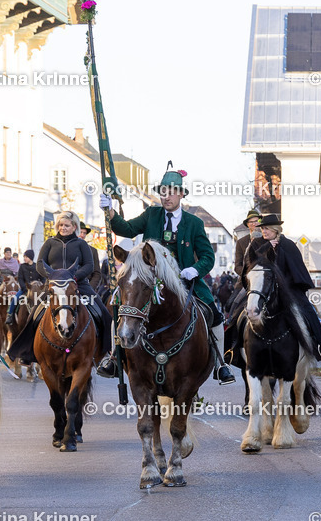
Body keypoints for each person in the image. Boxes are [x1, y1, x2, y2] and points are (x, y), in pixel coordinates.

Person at [97, 162, 235, 383]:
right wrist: (111, 212)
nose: (166, 197)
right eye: (163, 193)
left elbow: (208, 257)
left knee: (214, 314)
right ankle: (114, 356)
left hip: (185, 282)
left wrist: (194, 270)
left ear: (181, 195)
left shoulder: (194, 223)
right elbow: (126, 229)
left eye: (171, 193)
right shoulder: (151, 215)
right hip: (149, 281)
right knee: (120, 308)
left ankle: (220, 364)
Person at [31, 210, 112, 355]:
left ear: (74, 226)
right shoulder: (49, 243)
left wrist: (73, 277)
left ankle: (108, 352)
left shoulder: (81, 244)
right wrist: (54, 277)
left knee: (103, 312)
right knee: (32, 314)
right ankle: (30, 352)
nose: (63, 228)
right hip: (53, 287)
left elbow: (89, 266)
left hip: (78, 285)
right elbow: (39, 264)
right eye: (61, 225)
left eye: (67, 225)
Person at [257, 215, 321, 362]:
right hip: (266, 290)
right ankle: (234, 349)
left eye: (266, 228)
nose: (263, 231)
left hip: (290, 289)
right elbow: (256, 262)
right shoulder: (263, 245)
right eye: (262, 228)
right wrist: (268, 249)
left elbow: (295, 270)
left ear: (275, 229)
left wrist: (285, 287)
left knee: (308, 311)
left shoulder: (287, 245)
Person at [4, 249, 42, 326]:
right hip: (25, 288)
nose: (24, 258)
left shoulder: (37, 266)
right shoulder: (22, 266)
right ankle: (10, 315)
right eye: (24, 257)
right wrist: (24, 287)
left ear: (30, 257)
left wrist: (41, 286)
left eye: (26, 257)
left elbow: (42, 278)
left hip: (36, 289)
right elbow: (20, 278)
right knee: (15, 299)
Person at [234, 209, 262, 277]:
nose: (254, 223)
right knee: (238, 288)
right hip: (247, 278)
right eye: (251, 222)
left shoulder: (267, 238)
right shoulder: (241, 242)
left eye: (256, 221)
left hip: (266, 276)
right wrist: (248, 274)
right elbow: (237, 266)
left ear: (260, 222)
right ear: (247, 224)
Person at [79, 223, 102, 290]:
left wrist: (90, 288)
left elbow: (97, 273)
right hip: (69, 288)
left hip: (86, 287)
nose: (82, 235)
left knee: (99, 300)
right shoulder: (67, 247)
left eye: (84, 233)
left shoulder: (92, 251)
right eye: (80, 232)